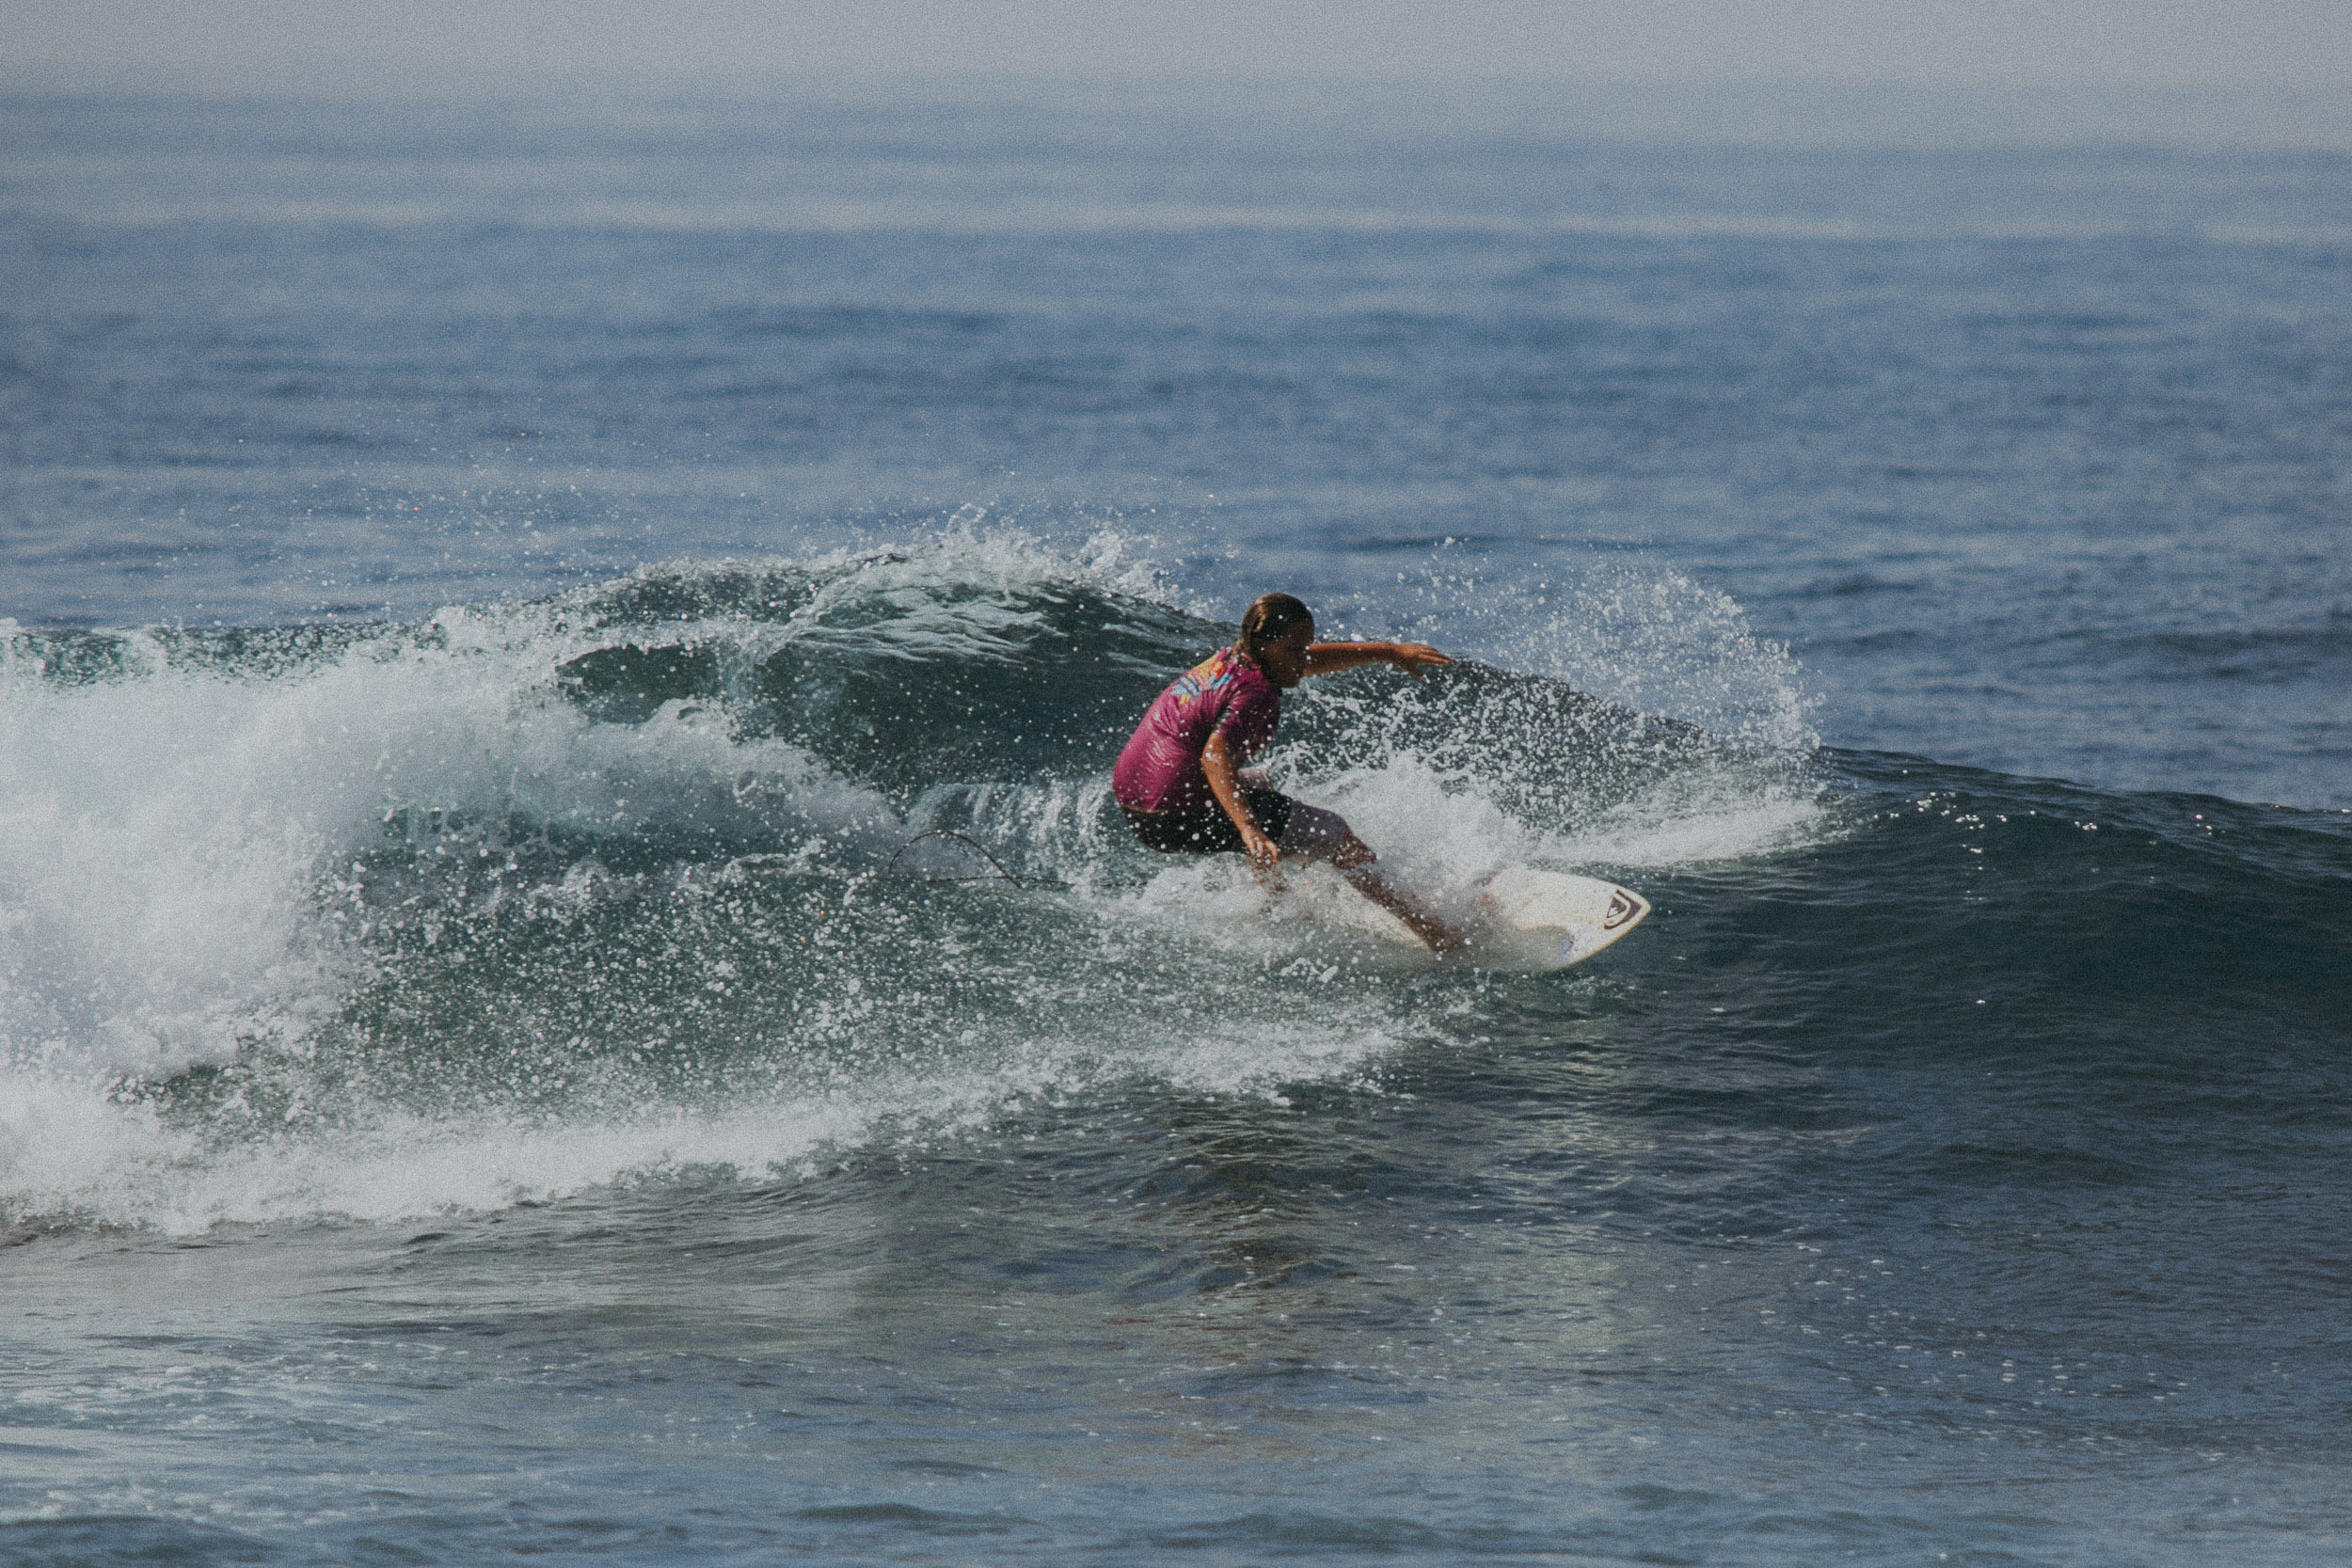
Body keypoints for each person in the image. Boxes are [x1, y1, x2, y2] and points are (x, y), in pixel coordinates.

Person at [1111, 593, 1473, 952]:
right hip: (1177, 814)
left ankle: (1275, 900)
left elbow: (1305, 663)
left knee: (1259, 784)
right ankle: (1439, 936)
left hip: (1139, 806)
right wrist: (1248, 826)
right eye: (1294, 649)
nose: (1304, 659)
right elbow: (1214, 756)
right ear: (1263, 644)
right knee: (1335, 834)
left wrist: (1389, 652)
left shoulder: (1229, 661)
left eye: (1305, 647)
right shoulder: (1255, 691)